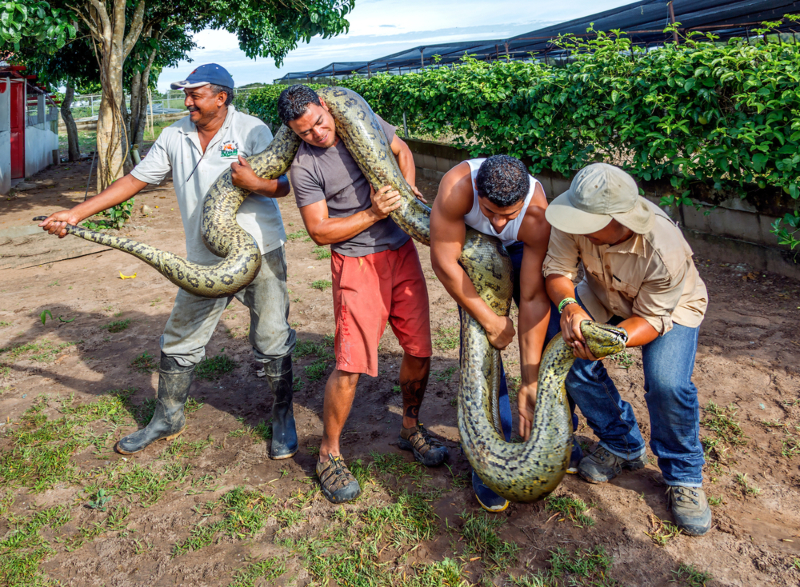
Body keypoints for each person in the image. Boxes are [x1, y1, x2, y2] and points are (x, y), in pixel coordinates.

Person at [39, 64, 299, 460]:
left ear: (221, 97)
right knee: (180, 337)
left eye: (195, 94)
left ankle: (283, 416)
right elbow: (135, 180)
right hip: (204, 258)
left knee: (271, 336)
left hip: (260, 251)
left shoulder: (251, 130)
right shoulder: (174, 134)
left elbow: (284, 184)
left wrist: (257, 184)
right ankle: (168, 417)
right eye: (186, 94)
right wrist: (77, 213)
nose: (187, 101)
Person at [277, 84, 448, 504]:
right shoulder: (304, 168)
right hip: (356, 263)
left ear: (325, 106)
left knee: (420, 350)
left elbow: (402, 149)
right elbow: (319, 231)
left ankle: (410, 428)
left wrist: (406, 193)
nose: (317, 134)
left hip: (401, 251)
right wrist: (373, 212)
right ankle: (328, 454)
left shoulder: (360, 122)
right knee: (351, 365)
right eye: (304, 133)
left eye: (318, 122)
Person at [543, 163, 711, 536]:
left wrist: (610, 341)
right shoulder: (574, 219)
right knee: (568, 360)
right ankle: (621, 442)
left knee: (667, 384)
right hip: (604, 295)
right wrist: (569, 308)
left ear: (617, 220)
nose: (572, 224)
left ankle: (684, 476)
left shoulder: (663, 250)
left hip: (669, 310)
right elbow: (557, 270)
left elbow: (650, 321)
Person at [430, 154, 580, 513]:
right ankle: (490, 459)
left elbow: (531, 297)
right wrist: (491, 318)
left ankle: (557, 435)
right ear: (477, 191)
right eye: (489, 211)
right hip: (473, 251)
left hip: (521, 249)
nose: (497, 222)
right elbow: (444, 262)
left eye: (506, 215)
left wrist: (529, 379)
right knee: (483, 345)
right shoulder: (456, 188)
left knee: (549, 345)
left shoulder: (536, 216)